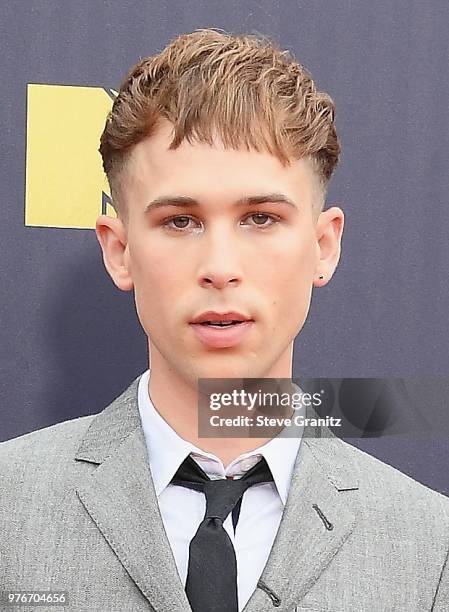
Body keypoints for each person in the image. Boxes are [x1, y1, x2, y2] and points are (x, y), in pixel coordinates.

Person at [1, 28, 449, 612]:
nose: (220, 268)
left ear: (324, 246)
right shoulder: (10, 506)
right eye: (180, 221)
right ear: (119, 250)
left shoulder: (429, 546)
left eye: (260, 219)